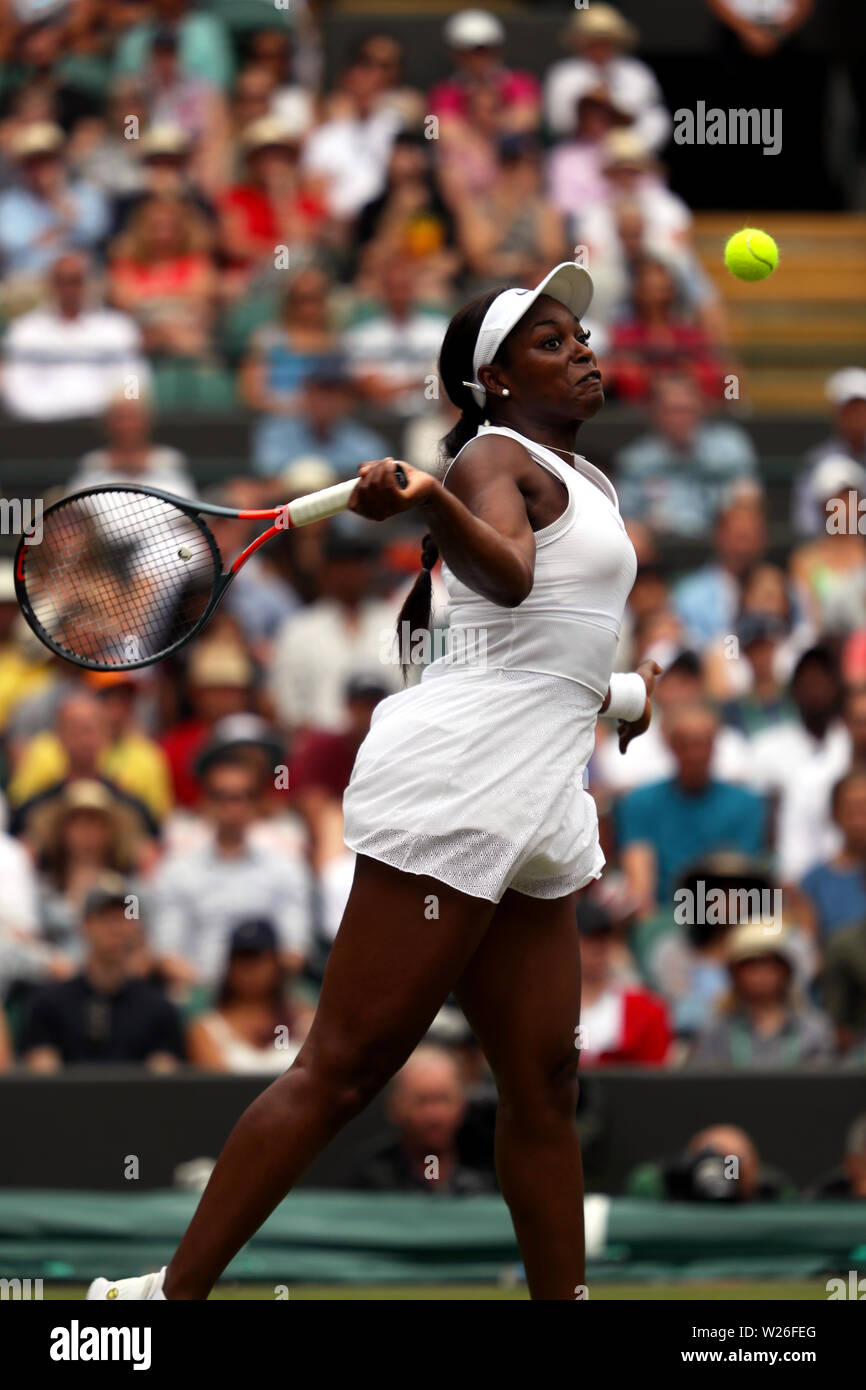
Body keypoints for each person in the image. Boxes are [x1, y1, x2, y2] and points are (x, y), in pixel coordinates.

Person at [86, 258, 659, 1303]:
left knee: (542, 1082)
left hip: (536, 798)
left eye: (577, 333)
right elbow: (510, 576)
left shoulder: (588, 479)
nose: (579, 348)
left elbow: (536, 648)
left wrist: (620, 695)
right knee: (344, 1067)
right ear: (489, 382)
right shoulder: (495, 455)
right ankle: (162, 1301)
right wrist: (439, 498)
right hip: (462, 785)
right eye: (547, 339)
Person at [21, 874, 185, 1070]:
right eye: (106, 918)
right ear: (85, 925)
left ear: (136, 928)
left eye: (124, 918)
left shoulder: (160, 1010)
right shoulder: (49, 1005)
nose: (116, 928)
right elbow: (42, 1082)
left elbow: (164, 1084)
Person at [616, 703, 766, 916]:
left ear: (714, 746)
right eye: (684, 744)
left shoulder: (746, 804)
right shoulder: (640, 802)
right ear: (670, 747)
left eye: (702, 744)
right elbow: (640, 886)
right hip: (664, 914)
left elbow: (739, 876)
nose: (694, 754)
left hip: (728, 913)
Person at [1, 251, 148, 421]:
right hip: (41, 429)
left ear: (89, 282)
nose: (68, 289)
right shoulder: (25, 331)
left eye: (75, 281)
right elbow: (16, 391)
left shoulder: (119, 329)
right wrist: (57, 415)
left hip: (105, 430)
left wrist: (123, 413)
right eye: (61, 281)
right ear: (50, 285)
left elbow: (133, 379)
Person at [349, 1045, 495, 1195]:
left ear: (462, 1104)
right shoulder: (371, 1177)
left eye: (444, 1100)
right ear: (394, 1108)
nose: (434, 1116)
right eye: (422, 1101)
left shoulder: (493, 1172)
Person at [688, 922, 836, 1068]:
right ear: (734, 973)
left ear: (785, 970)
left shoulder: (814, 1029)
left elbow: (820, 1085)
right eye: (751, 964)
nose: (760, 972)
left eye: (769, 962)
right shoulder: (715, 1031)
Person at [187, 919, 312, 1075]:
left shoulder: (304, 1023)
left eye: (259, 958)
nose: (251, 969)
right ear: (230, 966)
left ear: (276, 963)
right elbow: (218, 1091)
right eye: (243, 958)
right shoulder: (208, 1029)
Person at [543, 4, 671, 152]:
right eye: (593, 40)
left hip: (630, 158)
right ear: (580, 42)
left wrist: (631, 148)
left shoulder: (637, 73)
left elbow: (656, 119)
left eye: (605, 40)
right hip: (577, 154)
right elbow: (558, 123)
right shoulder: (563, 74)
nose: (599, 46)